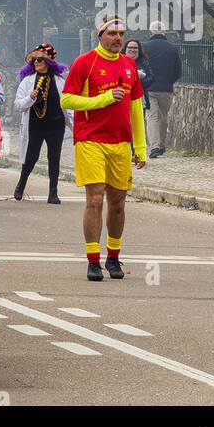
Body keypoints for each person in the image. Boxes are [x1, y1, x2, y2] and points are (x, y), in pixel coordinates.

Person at [61, 17, 146, 282]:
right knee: (95, 200)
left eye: (121, 33)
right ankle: (93, 260)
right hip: (90, 140)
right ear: (101, 35)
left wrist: (140, 147)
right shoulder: (85, 62)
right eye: (112, 33)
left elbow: (135, 108)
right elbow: (66, 98)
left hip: (120, 143)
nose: (118, 38)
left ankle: (113, 256)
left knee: (118, 203)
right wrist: (104, 99)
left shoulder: (130, 65)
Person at [13, 44, 71, 203]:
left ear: (49, 62)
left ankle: (53, 192)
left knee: (54, 157)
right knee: (31, 156)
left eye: (40, 59)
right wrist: (30, 98)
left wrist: (75, 125)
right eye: (34, 60)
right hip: (35, 125)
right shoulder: (27, 81)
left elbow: (68, 104)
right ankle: (21, 183)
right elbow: (18, 105)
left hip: (56, 125)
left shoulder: (60, 81)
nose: (36, 62)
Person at [143, 21, 183, 158]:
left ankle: (155, 146)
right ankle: (161, 145)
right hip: (166, 88)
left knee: (152, 116)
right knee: (163, 117)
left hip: (150, 88)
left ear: (150, 31)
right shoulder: (172, 48)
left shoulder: (145, 47)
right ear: (164, 32)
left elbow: (141, 68)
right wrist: (170, 81)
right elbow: (178, 71)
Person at [122, 36, 155, 150]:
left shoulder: (144, 62)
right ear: (125, 49)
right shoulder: (118, 61)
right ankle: (126, 149)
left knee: (137, 125)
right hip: (122, 99)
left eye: (135, 48)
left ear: (139, 50)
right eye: (130, 47)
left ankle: (135, 150)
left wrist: (137, 85)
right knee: (125, 125)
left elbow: (151, 78)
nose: (133, 50)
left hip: (140, 100)